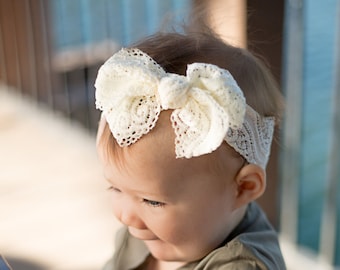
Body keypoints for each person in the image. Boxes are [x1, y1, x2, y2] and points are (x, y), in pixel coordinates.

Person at [94, 29, 286, 270]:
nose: (125, 216)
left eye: (152, 202)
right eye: (116, 188)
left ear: (242, 188)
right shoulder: (152, 232)